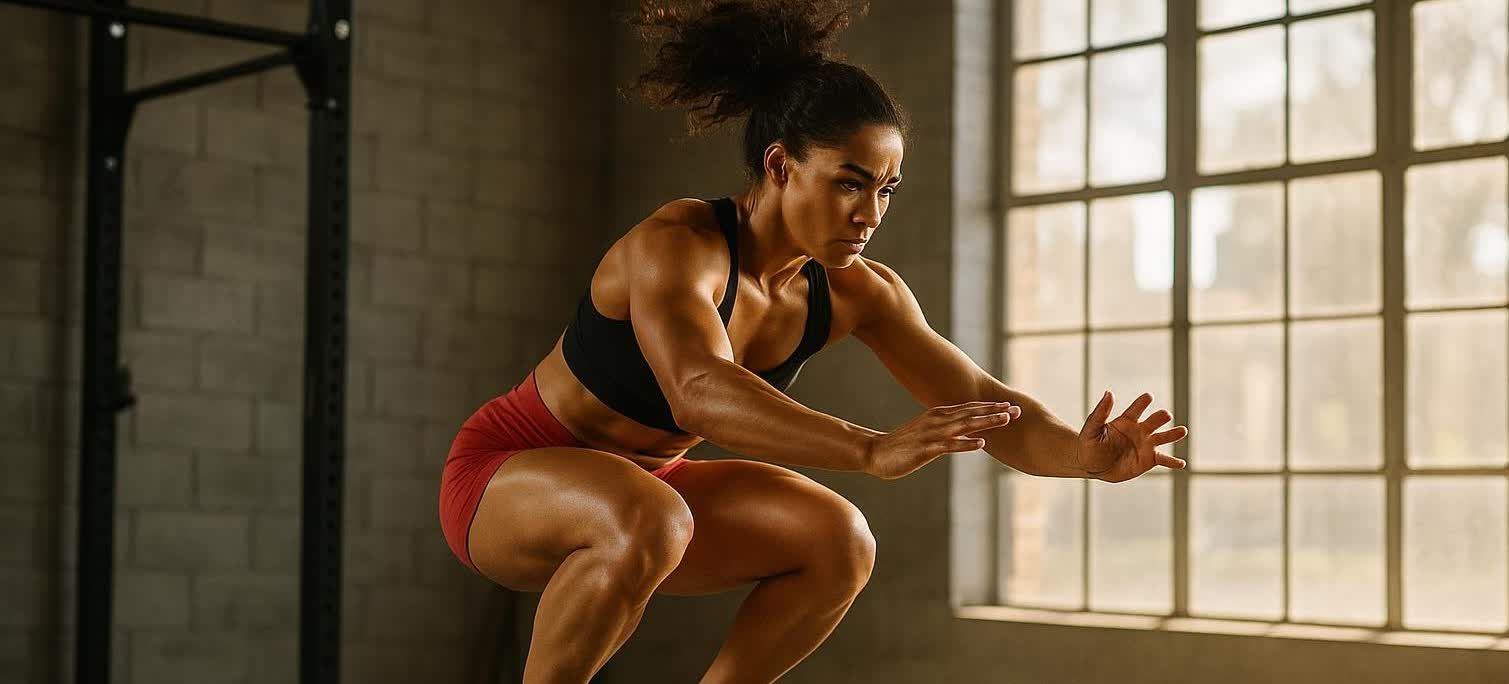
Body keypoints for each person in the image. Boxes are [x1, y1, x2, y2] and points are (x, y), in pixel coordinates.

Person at [437, 1, 1189, 682]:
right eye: (850, 183)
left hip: (645, 493)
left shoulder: (861, 291)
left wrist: (1080, 456)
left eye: (886, 189)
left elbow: (984, 403)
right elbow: (698, 390)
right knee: (651, 516)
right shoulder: (680, 244)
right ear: (779, 165)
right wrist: (867, 447)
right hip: (505, 479)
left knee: (840, 540)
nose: (870, 213)